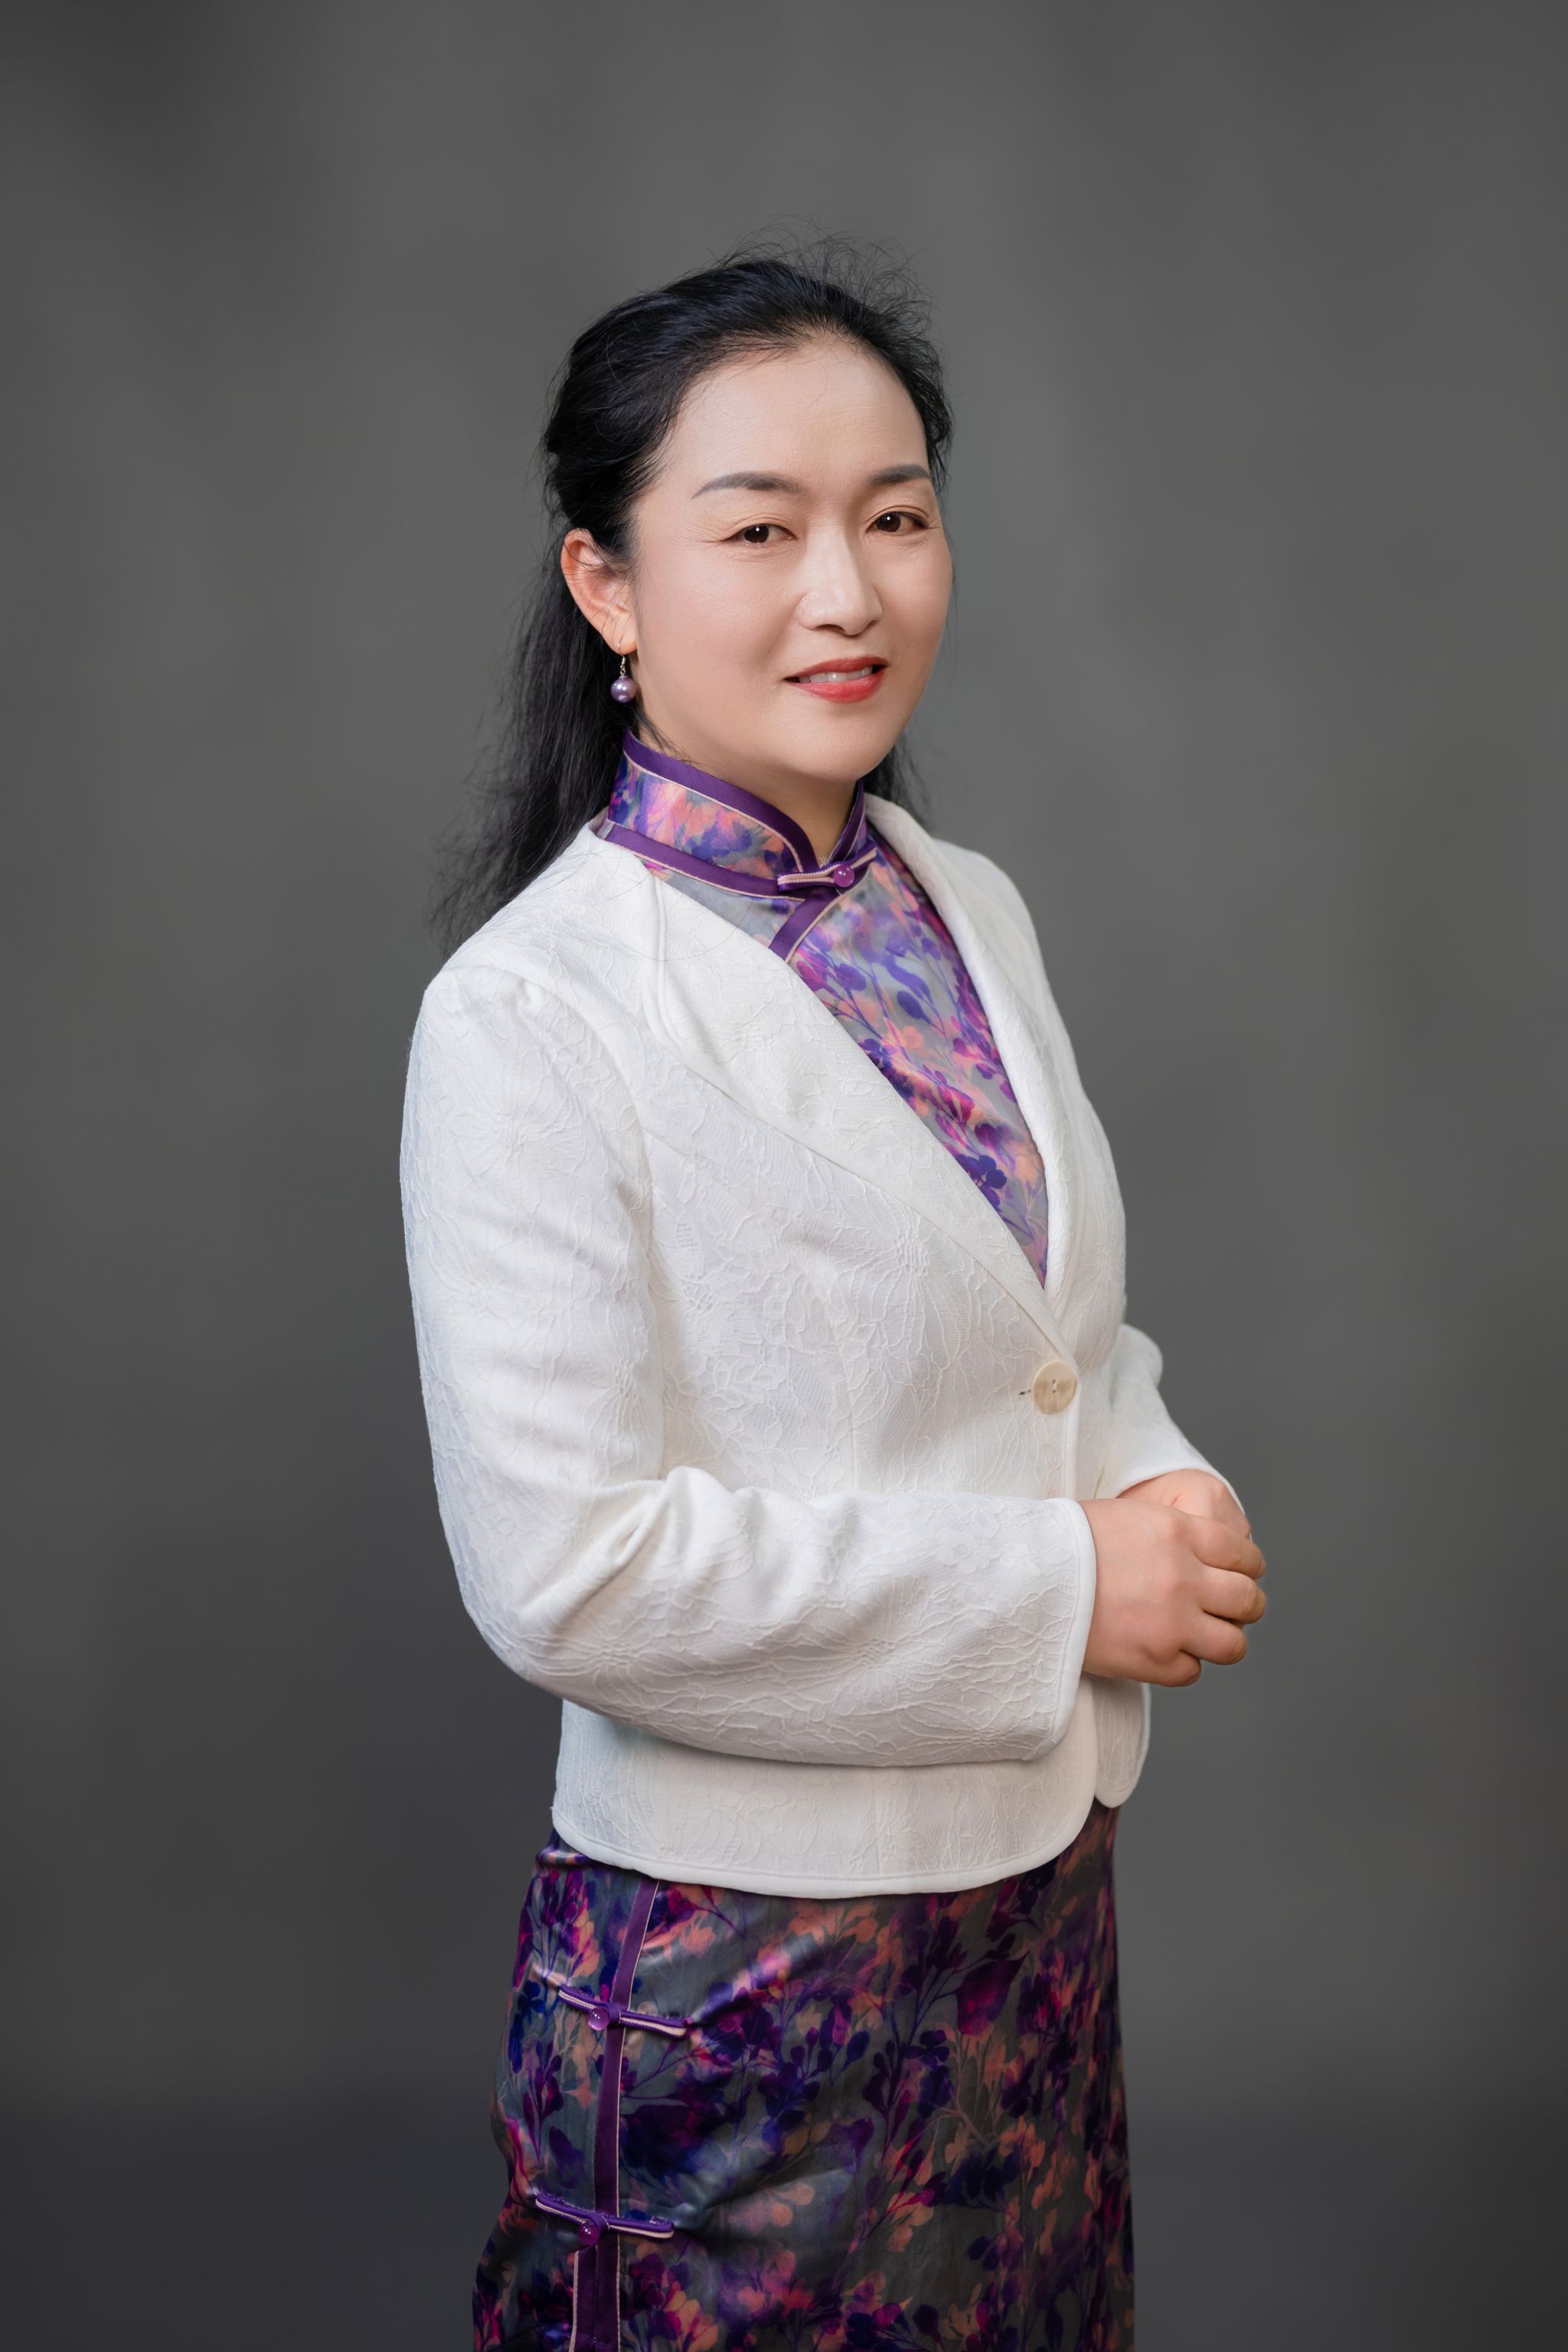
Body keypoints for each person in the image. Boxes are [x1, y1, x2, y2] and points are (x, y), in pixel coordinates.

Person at [400, 243, 1266, 2352]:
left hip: (1029, 1930)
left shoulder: (966, 907)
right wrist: (1067, 1588)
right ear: (607, 585)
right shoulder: (529, 1013)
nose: (848, 592)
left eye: (894, 516)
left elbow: (1049, 1338)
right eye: (759, 530)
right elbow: (570, 1573)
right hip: (741, 1994)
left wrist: (1158, 1471)